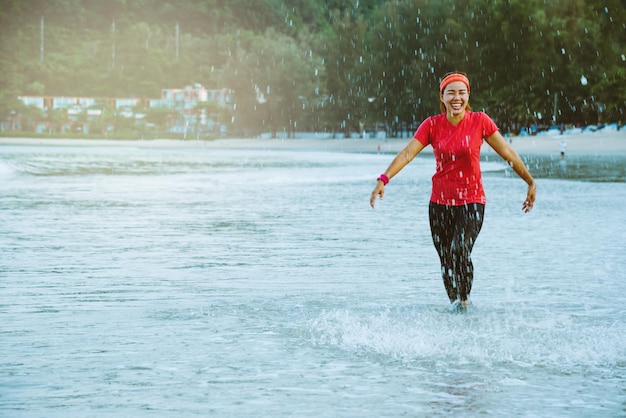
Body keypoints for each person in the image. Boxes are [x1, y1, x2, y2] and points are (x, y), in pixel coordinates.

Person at [370, 72, 536, 311]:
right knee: (446, 259)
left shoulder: (480, 121)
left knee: (460, 249)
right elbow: (407, 154)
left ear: (468, 96)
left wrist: (529, 181)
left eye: (462, 92)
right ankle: (454, 306)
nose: (457, 97)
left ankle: (465, 301)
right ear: (442, 96)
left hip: (472, 201)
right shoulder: (432, 125)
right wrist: (383, 179)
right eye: (451, 92)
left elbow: (507, 153)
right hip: (439, 203)